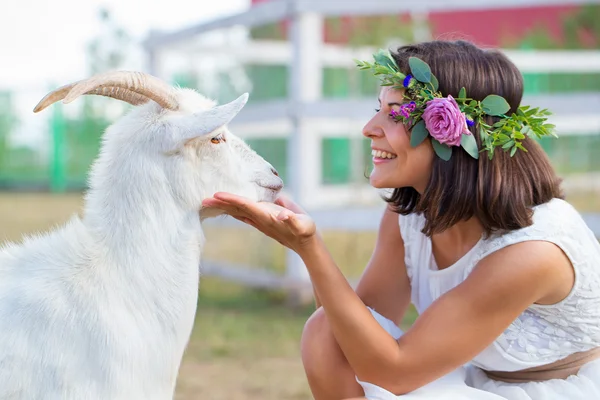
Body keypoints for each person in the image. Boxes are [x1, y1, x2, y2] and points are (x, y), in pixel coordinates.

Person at [201, 40, 600, 400]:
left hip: (558, 391)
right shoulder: (410, 214)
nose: (369, 129)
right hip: (471, 379)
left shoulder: (532, 250)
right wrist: (307, 248)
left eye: (395, 115)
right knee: (326, 332)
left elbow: (392, 373)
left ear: (453, 136)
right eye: (379, 110)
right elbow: (353, 328)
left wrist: (309, 247)